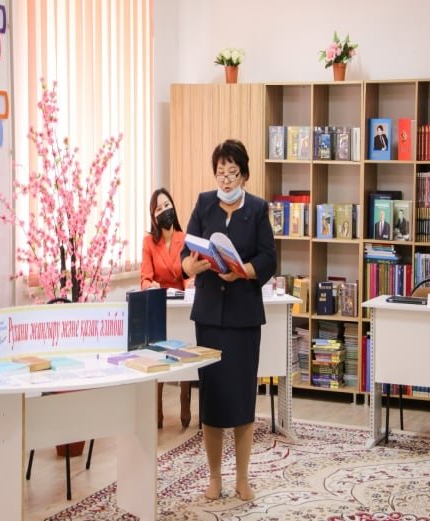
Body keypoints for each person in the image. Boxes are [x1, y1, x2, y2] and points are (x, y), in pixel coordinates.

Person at [181, 139, 277, 501]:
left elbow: (269, 258)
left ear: (244, 175)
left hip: (243, 318)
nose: (226, 179)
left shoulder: (257, 208)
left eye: (233, 173)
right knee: (212, 400)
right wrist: (191, 266)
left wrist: (243, 271)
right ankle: (214, 478)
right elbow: (185, 253)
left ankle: (242, 478)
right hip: (209, 317)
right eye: (220, 172)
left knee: (241, 399)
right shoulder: (204, 203)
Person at [141, 187, 192, 429]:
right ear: (153, 216)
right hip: (160, 306)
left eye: (167, 205)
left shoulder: (185, 238)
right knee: (159, 356)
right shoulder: (149, 242)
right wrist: (150, 285)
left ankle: (185, 399)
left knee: (185, 349)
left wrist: (190, 286)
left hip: (182, 305)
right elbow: (145, 278)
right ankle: (157, 407)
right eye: (159, 208)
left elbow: (188, 275)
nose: (164, 211)